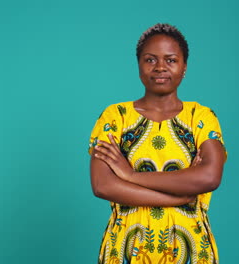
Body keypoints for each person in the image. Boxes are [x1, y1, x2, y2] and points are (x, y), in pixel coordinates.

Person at [88, 23, 227, 264]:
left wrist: (131, 176)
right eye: (150, 60)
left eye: (171, 60)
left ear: (184, 66)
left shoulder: (201, 117)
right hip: (125, 248)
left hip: (191, 249)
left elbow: (209, 178)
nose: (160, 67)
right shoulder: (115, 117)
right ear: (139, 65)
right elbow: (103, 185)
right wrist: (179, 197)